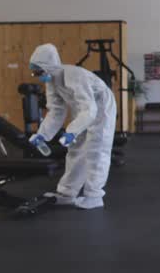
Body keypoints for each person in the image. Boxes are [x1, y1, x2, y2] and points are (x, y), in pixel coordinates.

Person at [28, 43, 117, 210]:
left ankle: (94, 196)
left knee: (96, 150)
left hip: (101, 105)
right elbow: (56, 112)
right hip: (84, 109)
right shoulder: (51, 82)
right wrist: (42, 135)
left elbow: (90, 110)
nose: (37, 76)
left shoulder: (74, 75)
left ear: (48, 66)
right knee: (76, 150)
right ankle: (67, 193)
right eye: (34, 72)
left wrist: (71, 131)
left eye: (38, 71)